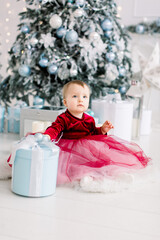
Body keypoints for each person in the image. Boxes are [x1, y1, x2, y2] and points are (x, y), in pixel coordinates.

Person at [41, 80, 151, 191]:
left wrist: (102, 130)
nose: (80, 100)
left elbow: (93, 133)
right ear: (65, 102)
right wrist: (48, 135)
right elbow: (55, 128)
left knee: (103, 160)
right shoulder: (63, 118)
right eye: (75, 96)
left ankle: (117, 174)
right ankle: (86, 177)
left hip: (88, 147)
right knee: (75, 166)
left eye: (84, 97)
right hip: (70, 150)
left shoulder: (89, 119)